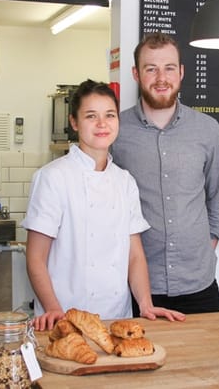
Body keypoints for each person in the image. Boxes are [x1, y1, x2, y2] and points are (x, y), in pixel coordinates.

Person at [22, 79, 185, 331]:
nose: (102, 124)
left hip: (117, 319)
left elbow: (134, 255)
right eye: (91, 116)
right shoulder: (53, 177)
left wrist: (146, 304)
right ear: (74, 122)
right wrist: (54, 309)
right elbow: (35, 257)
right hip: (64, 319)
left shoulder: (124, 181)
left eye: (109, 115)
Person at [111, 33, 219, 315]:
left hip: (199, 284)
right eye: (150, 68)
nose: (161, 77)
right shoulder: (116, 131)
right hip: (136, 287)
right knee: (139, 360)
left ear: (181, 72)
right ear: (136, 74)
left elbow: (217, 198)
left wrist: (208, 246)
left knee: (204, 359)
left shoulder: (207, 129)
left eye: (169, 68)